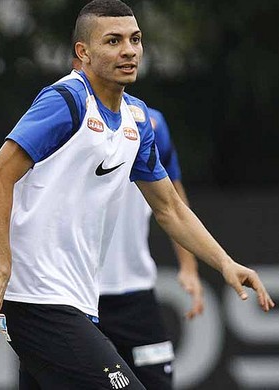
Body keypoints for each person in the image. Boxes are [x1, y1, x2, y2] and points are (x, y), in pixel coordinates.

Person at [0, 1, 274, 389]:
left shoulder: (137, 119)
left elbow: (170, 208)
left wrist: (225, 263)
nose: (129, 50)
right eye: (113, 41)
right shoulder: (67, 101)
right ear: (83, 52)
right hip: (37, 300)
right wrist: (1, 268)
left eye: (135, 39)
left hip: (77, 301)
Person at [97, 107, 204, 390]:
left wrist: (189, 267)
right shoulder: (62, 111)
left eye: (133, 57)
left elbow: (173, 200)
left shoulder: (149, 121)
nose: (127, 59)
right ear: (81, 59)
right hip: (77, 296)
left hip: (136, 294)